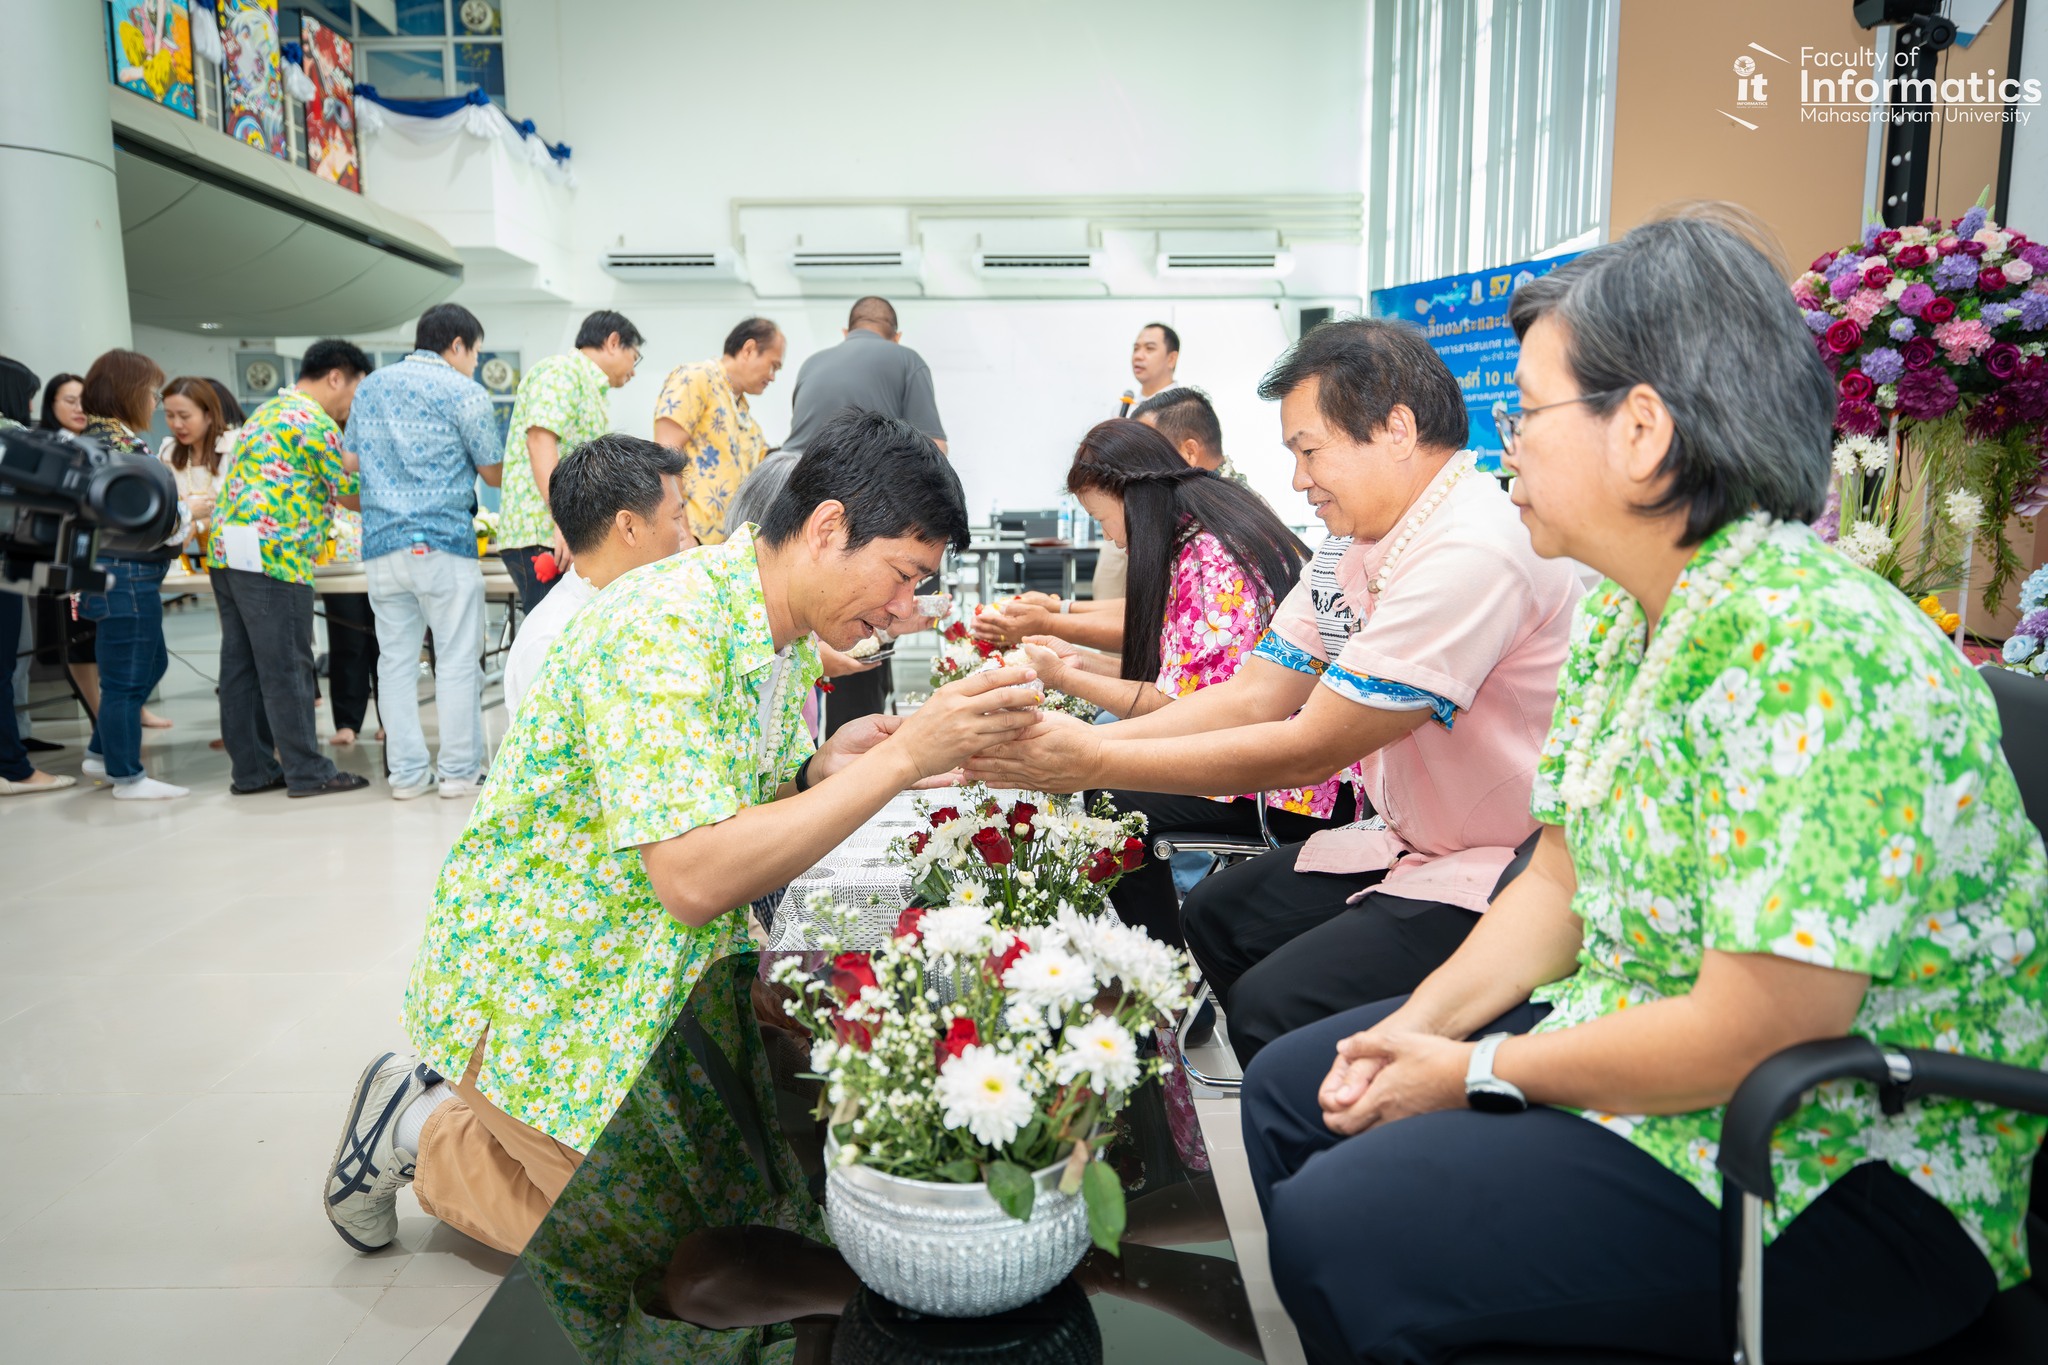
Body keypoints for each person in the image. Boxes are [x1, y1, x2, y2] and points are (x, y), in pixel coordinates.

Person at [1241, 209, 2048, 1365]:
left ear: (1639, 431)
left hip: (1839, 1163)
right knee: (1291, 1087)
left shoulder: (1811, 645)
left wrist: (1473, 1068)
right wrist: (1418, 1030)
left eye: (1523, 411)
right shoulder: (1634, 616)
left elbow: (1757, 1030)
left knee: (1345, 1225)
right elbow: (1559, 875)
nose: (1499, 445)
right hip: (1649, 1056)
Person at [323, 410, 1046, 1259]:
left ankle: (471, 1136)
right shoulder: (662, 626)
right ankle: (417, 1127)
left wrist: (821, 770)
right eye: (901, 575)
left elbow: (740, 796)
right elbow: (696, 878)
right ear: (827, 528)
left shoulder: (765, 631)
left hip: (653, 978)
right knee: (692, 1270)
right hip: (549, 993)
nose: (903, 607)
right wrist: (906, 757)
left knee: (769, 1217)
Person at [966, 318, 1581, 1052]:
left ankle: (1337, 1118)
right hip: (1413, 836)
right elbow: (1253, 694)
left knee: (1273, 1001)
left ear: (1396, 428)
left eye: (1309, 450)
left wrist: (1092, 756)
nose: (1298, 480)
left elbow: (1309, 745)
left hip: (1503, 864)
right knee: (1218, 914)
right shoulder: (1351, 549)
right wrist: (1082, 742)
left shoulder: (1470, 549)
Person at [1013, 419, 1351, 945]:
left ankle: (1156, 964)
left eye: (1104, 520)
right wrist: (1075, 666)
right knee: (1107, 779)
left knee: (1112, 800)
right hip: (1289, 759)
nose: (1108, 536)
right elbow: (1177, 678)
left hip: (1293, 787)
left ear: (1134, 497)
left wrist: (1070, 691)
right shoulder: (1206, 531)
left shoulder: (1207, 555)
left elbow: (1175, 707)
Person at [347, 302, 505, 797]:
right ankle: (458, 773)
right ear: (456, 344)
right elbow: (493, 470)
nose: (474, 363)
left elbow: (351, 460)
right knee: (457, 660)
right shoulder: (465, 392)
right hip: (443, 543)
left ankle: (407, 776)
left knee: (394, 662)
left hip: (381, 546)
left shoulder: (370, 387)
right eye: (474, 353)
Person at [206, 340, 374, 798]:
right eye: (356, 389)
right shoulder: (313, 421)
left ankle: (253, 770)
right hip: (273, 558)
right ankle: (307, 770)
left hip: (228, 553)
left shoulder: (267, 412)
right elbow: (349, 491)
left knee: (240, 666)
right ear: (337, 377)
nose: (352, 402)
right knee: (286, 666)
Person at [783, 297, 950, 734]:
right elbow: (933, 457)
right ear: (895, 335)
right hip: (857, 515)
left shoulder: (812, 362)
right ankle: (858, 741)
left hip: (785, 498)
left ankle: (806, 749)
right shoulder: (906, 359)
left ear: (846, 332)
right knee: (868, 629)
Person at [974, 386, 1241, 657]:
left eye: (1148, 449)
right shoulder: (1194, 521)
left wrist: (1051, 626)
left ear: (1188, 452)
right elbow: (1151, 610)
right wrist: (1057, 609)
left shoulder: (1210, 542)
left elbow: (1155, 639)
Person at [501, 434, 687, 717]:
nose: (684, 536)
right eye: (676, 519)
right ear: (629, 527)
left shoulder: (643, 604)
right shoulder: (552, 643)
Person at [76, 349, 191, 798]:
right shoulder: (116, 447)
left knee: (149, 662)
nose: (155, 403)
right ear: (128, 393)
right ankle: (127, 776)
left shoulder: (103, 440)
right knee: (124, 678)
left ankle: (102, 753)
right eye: (150, 392)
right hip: (125, 573)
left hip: (117, 572)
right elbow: (150, 519)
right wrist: (183, 515)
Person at [496, 310, 643, 612]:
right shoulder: (561, 371)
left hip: (565, 535)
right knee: (552, 643)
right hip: (545, 535)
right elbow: (540, 440)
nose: (634, 371)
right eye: (635, 357)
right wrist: (562, 522)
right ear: (613, 342)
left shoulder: (592, 389)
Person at [651, 316, 783, 547]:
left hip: (724, 546)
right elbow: (664, 456)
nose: (773, 376)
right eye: (773, 365)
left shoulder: (743, 413)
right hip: (692, 542)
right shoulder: (696, 378)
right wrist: (683, 533)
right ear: (749, 349)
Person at [1095, 322, 1184, 602]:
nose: (1138, 355)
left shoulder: (1181, 407)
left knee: (1150, 605)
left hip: (1160, 524)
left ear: (1171, 358)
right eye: (1135, 348)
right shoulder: (1123, 408)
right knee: (1105, 594)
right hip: (1119, 518)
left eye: (1149, 348)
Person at [158, 376, 232, 560]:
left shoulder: (234, 447)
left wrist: (199, 525)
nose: (176, 424)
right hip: (183, 556)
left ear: (209, 415)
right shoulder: (168, 452)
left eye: (184, 416)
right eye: (169, 415)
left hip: (234, 555)